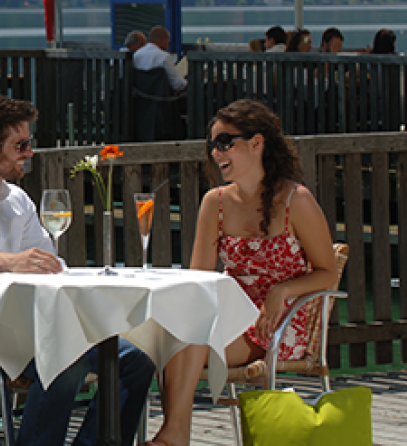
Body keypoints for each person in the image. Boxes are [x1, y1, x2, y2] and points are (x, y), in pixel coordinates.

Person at [0, 93, 155, 446]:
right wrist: (14, 262)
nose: (29, 152)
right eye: (20, 145)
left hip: (31, 317)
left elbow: (47, 263)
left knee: (135, 358)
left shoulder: (17, 199)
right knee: (64, 362)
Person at [142, 99, 337, 446]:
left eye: (225, 142)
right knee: (172, 332)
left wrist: (281, 291)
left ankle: (174, 435)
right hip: (231, 314)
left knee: (191, 336)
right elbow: (199, 279)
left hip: (281, 319)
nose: (216, 152)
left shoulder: (296, 200)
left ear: (257, 142)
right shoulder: (214, 202)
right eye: (212, 145)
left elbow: (327, 273)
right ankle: (174, 434)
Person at [134, 26, 187, 92]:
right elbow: (177, 85)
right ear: (162, 39)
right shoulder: (164, 57)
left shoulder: (136, 55)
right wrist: (187, 82)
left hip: (139, 96)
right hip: (160, 97)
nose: (168, 45)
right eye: (168, 42)